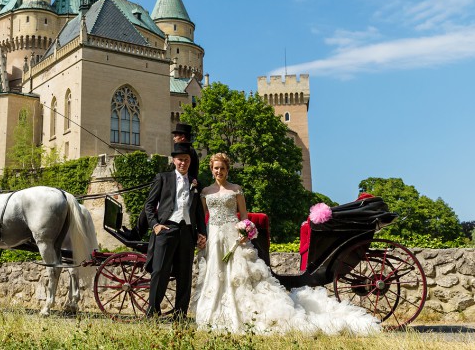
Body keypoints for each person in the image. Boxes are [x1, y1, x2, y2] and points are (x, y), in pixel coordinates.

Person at [190, 152, 380, 335]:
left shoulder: (236, 189)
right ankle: (214, 312)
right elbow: (201, 216)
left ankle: (239, 313)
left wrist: (244, 231)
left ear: (227, 169)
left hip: (233, 237)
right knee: (215, 275)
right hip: (214, 237)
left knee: (237, 277)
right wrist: (201, 235)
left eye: (222, 168)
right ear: (211, 169)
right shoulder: (206, 192)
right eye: (215, 168)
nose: (218, 172)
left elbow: (245, 217)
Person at [145, 142, 207, 318]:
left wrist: (202, 232)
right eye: (180, 160)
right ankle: (152, 313)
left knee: (185, 274)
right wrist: (155, 225)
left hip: (187, 231)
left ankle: (180, 314)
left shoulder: (196, 183)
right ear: (174, 160)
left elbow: (199, 212)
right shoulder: (163, 178)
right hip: (166, 228)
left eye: (186, 160)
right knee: (159, 271)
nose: (183, 163)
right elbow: (149, 205)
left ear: (190, 161)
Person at [121, 123, 200, 241]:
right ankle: (136, 232)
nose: (174, 138)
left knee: (150, 204)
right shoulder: (188, 152)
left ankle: (136, 234)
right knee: (149, 203)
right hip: (175, 185)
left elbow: (189, 175)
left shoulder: (188, 153)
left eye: (176, 135)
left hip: (180, 190)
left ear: (182, 137)